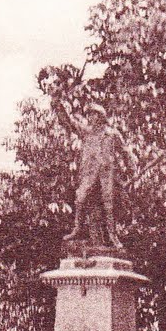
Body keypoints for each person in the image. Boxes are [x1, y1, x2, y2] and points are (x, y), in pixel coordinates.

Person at [54, 100, 123, 248]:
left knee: (108, 205)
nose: (90, 118)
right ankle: (77, 228)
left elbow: (125, 151)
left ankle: (112, 235)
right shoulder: (86, 132)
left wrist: (132, 168)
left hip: (106, 175)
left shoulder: (112, 134)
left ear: (100, 116)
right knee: (80, 198)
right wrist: (58, 105)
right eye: (89, 115)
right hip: (89, 174)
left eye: (93, 115)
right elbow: (69, 122)